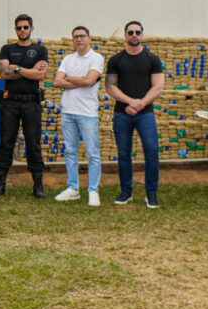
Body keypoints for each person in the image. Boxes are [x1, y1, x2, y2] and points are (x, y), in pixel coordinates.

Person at [106, 20, 165, 208]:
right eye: (130, 32)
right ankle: (126, 192)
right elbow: (110, 87)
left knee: (151, 151)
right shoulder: (116, 60)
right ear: (125, 35)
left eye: (137, 32)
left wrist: (140, 104)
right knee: (123, 153)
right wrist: (131, 102)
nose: (134, 35)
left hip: (145, 114)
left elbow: (158, 87)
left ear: (142, 35)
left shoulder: (152, 59)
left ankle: (151, 194)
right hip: (122, 113)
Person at [0, 13, 49, 198]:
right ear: (15, 29)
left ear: (31, 28)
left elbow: (41, 75)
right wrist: (30, 71)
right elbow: (4, 73)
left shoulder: (40, 50)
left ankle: (38, 186)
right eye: (19, 28)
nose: (22, 30)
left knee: (33, 143)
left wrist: (17, 68)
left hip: (31, 102)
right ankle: (0, 184)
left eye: (26, 27)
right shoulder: (7, 49)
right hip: (10, 103)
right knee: (6, 142)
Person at [53, 26, 105, 206]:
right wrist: (81, 80)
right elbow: (56, 82)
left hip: (87, 113)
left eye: (82, 36)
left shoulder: (96, 58)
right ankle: (73, 188)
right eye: (75, 36)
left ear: (89, 38)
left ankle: (93, 190)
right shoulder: (68, 59)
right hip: (68, 111)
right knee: (70, 151)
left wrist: (69, 79)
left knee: (92, 153)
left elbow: (90, 81)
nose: (79, 39)